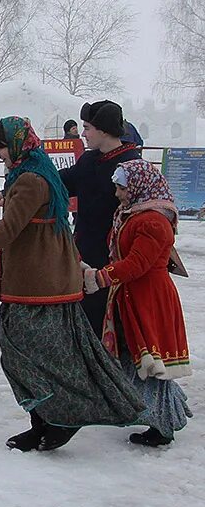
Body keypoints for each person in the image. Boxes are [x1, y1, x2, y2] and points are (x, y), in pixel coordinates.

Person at [0, 117, 143, 452]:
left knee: (25, 355)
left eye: (1, 147)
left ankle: (57, 420)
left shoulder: (30, 179)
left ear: (15, 144)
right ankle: (47, 422)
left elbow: (8, 231)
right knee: (38, 354)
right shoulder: (35, 169)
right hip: (44, 276)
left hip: (38, 281)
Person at [84, 160, 192, 447]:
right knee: (136, 359)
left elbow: (138, 264)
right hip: (133, 295)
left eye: (121, 187)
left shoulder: (153, 221)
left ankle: (164, 423)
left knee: (151, 364)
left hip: (148, 297)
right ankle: (162, 413)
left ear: (138, 186)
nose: (118, 193)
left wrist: (101, 276)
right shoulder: (134, 214)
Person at [48, 99, 140, 336]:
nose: (84, 134)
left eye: (87, 128)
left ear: (104, 129)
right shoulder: (89, 160)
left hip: (118, 256)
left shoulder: (132, 165)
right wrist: (20, 189)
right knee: (86, 317)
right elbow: (61, 182)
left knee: (115, 321)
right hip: (86, 251)